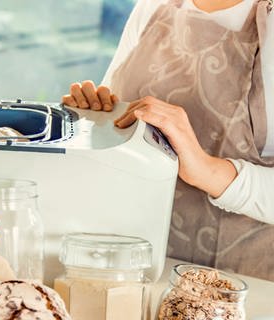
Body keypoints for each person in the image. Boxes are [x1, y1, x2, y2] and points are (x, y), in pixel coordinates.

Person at [62, 0, 274, 280]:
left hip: (234, 288)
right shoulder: (152, 7)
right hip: (124, 269)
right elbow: (117, 133)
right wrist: (92, 118)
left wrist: (207, 170)